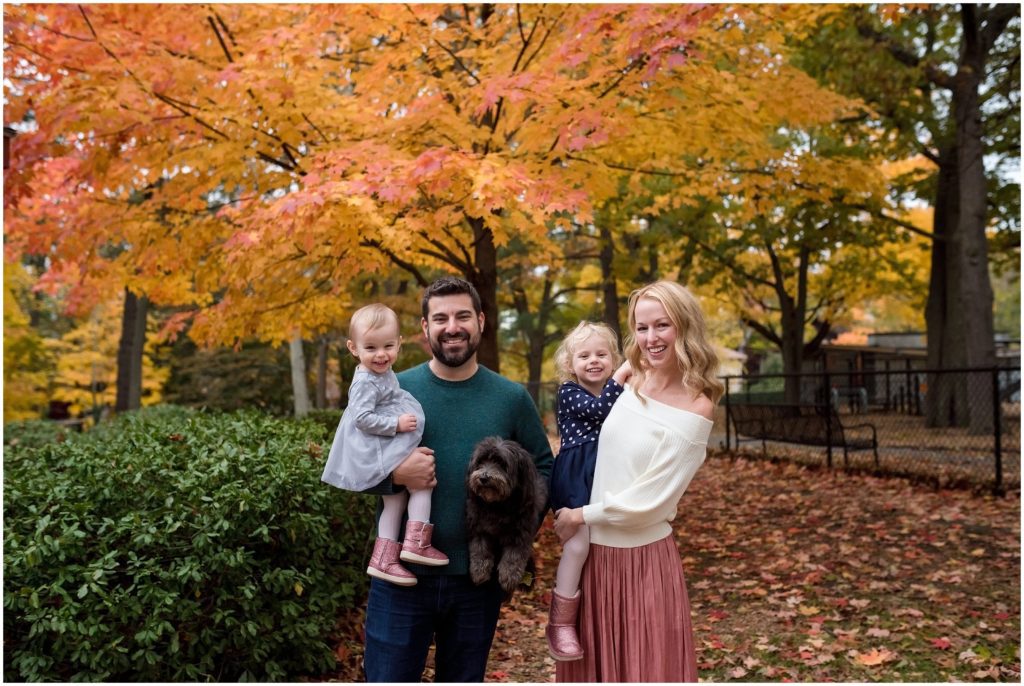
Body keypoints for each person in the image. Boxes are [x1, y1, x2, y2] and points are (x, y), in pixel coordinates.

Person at [361, 276, 554, 683]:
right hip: (399, 575)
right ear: (425, 328)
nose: (453, 326)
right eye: (441, 317)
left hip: (475, 581)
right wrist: (394, 476)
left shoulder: (510, 397)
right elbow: (352, 462)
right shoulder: (393, 389)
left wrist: (517, 532)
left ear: (481, 321)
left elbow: (543, 467)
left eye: (463, 315)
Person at [553, 280, 724, 683]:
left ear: (684, 326)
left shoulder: (698, 406)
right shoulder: (632, 378)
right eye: (641, 327)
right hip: (593, 560)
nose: (650, 338)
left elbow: (653, 500)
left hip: (641, 563)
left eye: (661, 325)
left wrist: (580, 514)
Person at [321, 303, 448, 586]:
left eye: (388, 346)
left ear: (399, 344)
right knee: (420, 484)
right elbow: (363, 418)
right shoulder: (365, 381)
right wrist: (396, 424)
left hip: (381, 441)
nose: (381, 355)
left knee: (395, 499)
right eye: (371, 348)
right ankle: (415, 543)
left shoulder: (381, 372)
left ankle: (385, 557)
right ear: (353, 348)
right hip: (376, 443)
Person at [546, 321, 631, 661]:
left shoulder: (622, 392)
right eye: (584, 356)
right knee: (579, 543)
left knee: (610, 536)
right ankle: (561, 623)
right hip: (577, 474)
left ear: (612, 357)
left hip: (610, 471)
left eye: (602, 354)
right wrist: (622, 376)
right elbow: (600, 410)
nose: (594, 361)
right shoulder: (570, 392)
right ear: (570, 365)